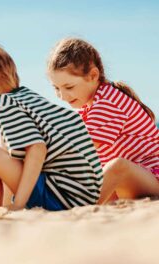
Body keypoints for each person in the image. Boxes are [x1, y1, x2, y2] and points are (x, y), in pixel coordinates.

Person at [0, 42, 103, 211]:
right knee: (2, 154)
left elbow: (37, 149)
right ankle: (1, 208)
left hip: (63, 198)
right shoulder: (24, 98)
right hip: (82, 196)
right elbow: (13, 159)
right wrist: (8, 205)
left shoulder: (3, 103)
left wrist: (18, 204)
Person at [47, 37, 159, 204]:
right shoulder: (89, 107)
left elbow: (82, 149)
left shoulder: (108, 102)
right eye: (56, 88)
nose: (62, 96)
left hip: (152, 176)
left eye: (69, 87)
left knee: (118, 166)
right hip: (131, 183)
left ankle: (82, 206)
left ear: (93, 75)